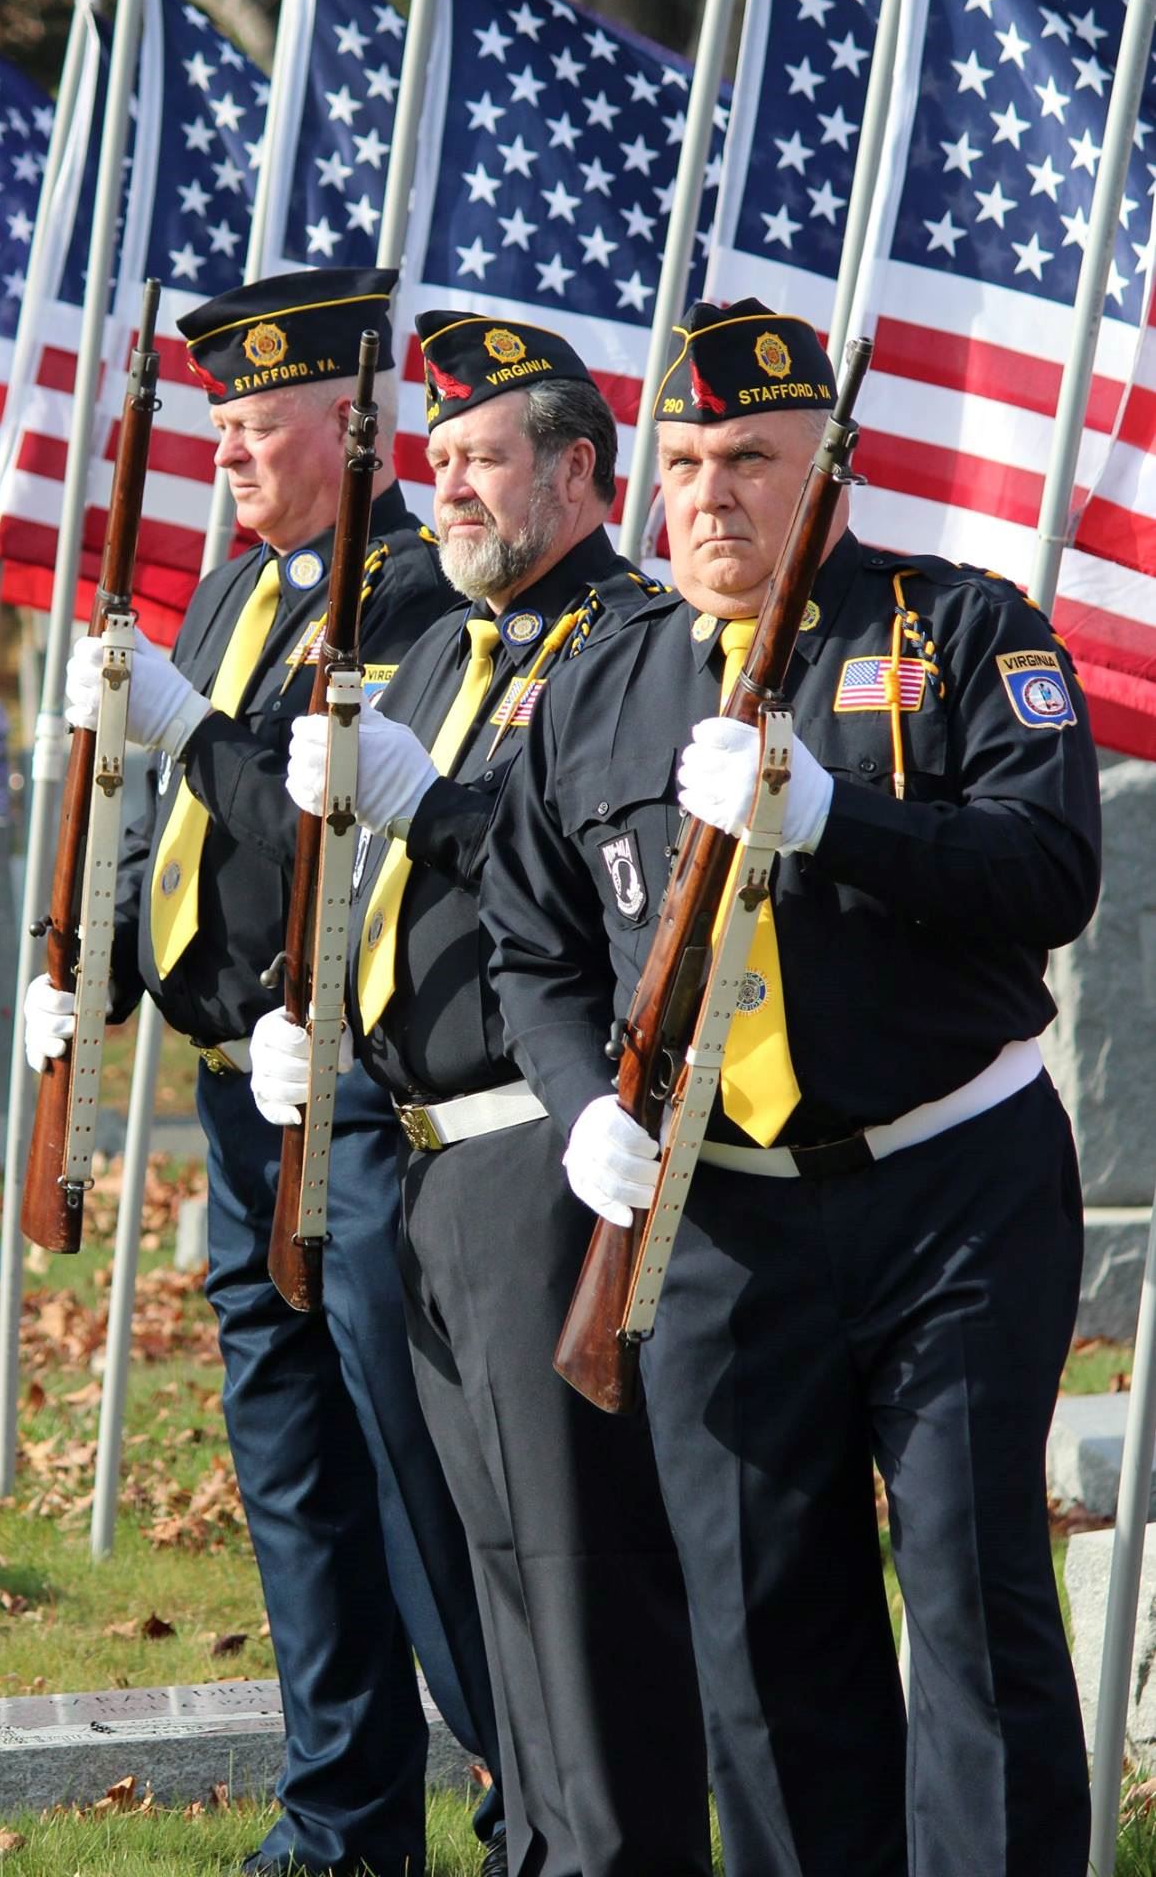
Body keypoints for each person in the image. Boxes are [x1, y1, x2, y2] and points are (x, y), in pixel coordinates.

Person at [482, 297, 1100, 1877]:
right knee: (760, 1635)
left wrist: (831, 817)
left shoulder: (961, 631)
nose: (710, 495)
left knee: (968, 1608)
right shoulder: (597, 685)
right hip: (714, 1221)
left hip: (948, 1196)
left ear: (830, 463)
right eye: (682, 462)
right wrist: (583, 1110)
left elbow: (1048, 867)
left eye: (751, 459)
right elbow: (532, 947)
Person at [23, 268, 503, 1877]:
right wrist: (86, 984)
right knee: (292, 1473)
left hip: (359, 1097)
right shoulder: (240, 591)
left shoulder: (417, 600)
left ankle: (537, 1796)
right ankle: (344, 1820)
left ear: (352, 429)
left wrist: (181, 727)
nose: (226, 454)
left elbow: (332, 826)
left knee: (408, 1467)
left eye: (258, 425)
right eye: (217, 427)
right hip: (243, 1094)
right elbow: (177, 845)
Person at [249, 310, 712, 1877]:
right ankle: (535, 1844)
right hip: (417, 1155)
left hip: (542, 1145)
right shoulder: (446, 642)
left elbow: (587, 899)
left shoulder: (634, 643)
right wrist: (294, 1017)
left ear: (579, 473)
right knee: (484, 1562)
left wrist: (430, 804)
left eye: (480, 461)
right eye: (435, 462)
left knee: (578, 1571)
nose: (446, 491)